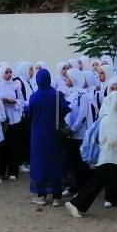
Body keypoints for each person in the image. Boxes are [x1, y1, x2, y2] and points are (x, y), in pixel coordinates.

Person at [66, 92, 117, 220]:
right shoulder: (109, 119)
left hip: (114, 158)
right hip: (111, 158)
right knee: (115, 183)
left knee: (107, 183)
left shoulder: (113, 118)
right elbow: (114, 140)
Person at [25, 67, 70, 206]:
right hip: (54, 134)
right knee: (56, 162)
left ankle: (42, 196)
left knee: (40, 163)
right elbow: (66, 109)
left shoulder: (34, 97)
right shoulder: (57, 94)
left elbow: (29, 114)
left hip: (38, 135)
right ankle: (57, 197)